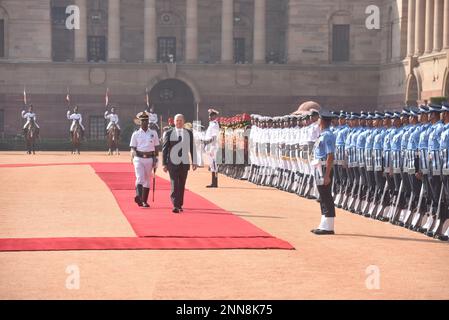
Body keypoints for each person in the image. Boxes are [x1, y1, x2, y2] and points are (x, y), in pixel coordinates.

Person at [162, 114, 197, 213]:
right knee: (174, 183)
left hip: (184, 163)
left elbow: (192, 148)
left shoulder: (189, 133)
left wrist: (194, 162)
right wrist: (164, 163)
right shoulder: (168, 133)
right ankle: (175, 205)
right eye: (177, 120)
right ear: (174, 122)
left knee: (182, 184)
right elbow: (165, 149)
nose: (179, 122)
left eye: (181, 120)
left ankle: (180, 204)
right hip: (172, 163)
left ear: (184, 121)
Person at [311, 110, 337, 235]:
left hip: (324, 169)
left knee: (326, 196)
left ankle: (329, 226)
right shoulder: (322, 134)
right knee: (322, 196)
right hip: (319, 167)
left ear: (322, 121)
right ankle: (324, 224)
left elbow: (330, 155)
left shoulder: (327, 135)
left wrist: (327, 175)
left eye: (319, 119)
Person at [130, 111, 160, 208]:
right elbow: (133, 147)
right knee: (140, 177)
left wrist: (156, 159)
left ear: (149, 121)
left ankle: (144, 201)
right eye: (143, 120)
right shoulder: (135, 134)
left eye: (146, 120)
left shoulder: (153, 133)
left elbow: (156, 148)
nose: (145, 122)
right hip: (138, 158)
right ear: (140, 122)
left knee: (147, 180)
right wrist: (132, 153)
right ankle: (138, 196)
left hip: (150, 158)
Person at [202, 109, 221, 188]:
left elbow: (214, 137)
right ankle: (213, 182)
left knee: (214, 165)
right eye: (209, 115)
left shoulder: (214, 125)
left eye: (211, 115)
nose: (209, 117)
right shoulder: (211, 124)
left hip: (212, 146)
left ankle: (215, 183)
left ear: (214, 116)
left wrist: (211, 146)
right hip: (209, 145)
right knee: (212, 165)